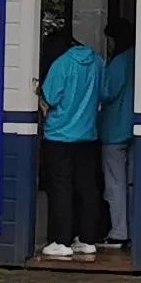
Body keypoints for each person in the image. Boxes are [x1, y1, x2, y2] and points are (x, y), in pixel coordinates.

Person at [38, 23, 107, 258]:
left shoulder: (61, 64)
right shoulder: (98, 62)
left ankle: (61, 240)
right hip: (88, 135)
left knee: (61, 188)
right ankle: (87, 239)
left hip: (59, 136)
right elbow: (104, 93)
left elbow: (50, 96)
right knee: (87, 188)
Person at [96, 27, 134, 262]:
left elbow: (107, 92)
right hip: (136, 128)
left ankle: (119, 232)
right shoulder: (138, 57)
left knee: (114, 185)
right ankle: (133, 229)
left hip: (115, 130)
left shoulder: (119, 62)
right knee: (131, 183)